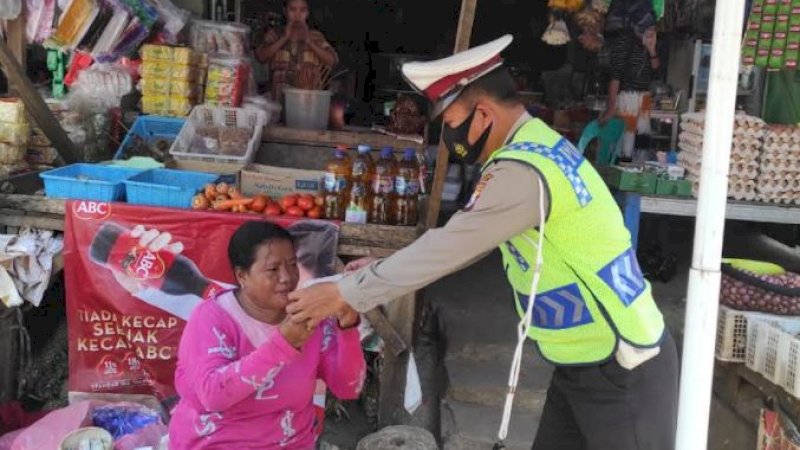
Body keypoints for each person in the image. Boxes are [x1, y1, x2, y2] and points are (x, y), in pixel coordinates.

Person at [286, 35, 678, 450]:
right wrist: (380, 269)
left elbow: (451, 246)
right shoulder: (537, 144)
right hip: (582, 361)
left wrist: (346, 291)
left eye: (452, 120)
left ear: (484, 113)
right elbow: (467, 235)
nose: (449, 134)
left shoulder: (522, 171)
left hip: (620, 369)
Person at [168, 221, 365, 450]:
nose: (286, 277)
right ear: (242, 276)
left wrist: (348, 324)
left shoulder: (309, 315)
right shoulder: (213, 317)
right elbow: (212, 396)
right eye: (273, 269)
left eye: (292, 265)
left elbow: (348, 387)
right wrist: (284, 344)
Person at [599, 0, 661, 160]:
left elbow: (656, 71)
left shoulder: (648, 43)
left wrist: (652, 50)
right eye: (649, 27)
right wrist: (611, 108)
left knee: (641, 145)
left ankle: (636, 179)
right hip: (627, 100)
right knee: (625, 146)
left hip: (644, 99)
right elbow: (615, 77)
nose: (652, 30)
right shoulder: (624, 41)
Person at [255, 0, 338, 102]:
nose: (297, 15)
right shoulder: (274, 34)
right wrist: (284, 38)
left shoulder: (316, 36)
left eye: (302, 10)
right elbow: (261, 57)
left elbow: (332, 61)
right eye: (292, 10)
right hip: (278, 101)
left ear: (307, 13)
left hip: (309, 103)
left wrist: (309, 42)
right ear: (285, 11)